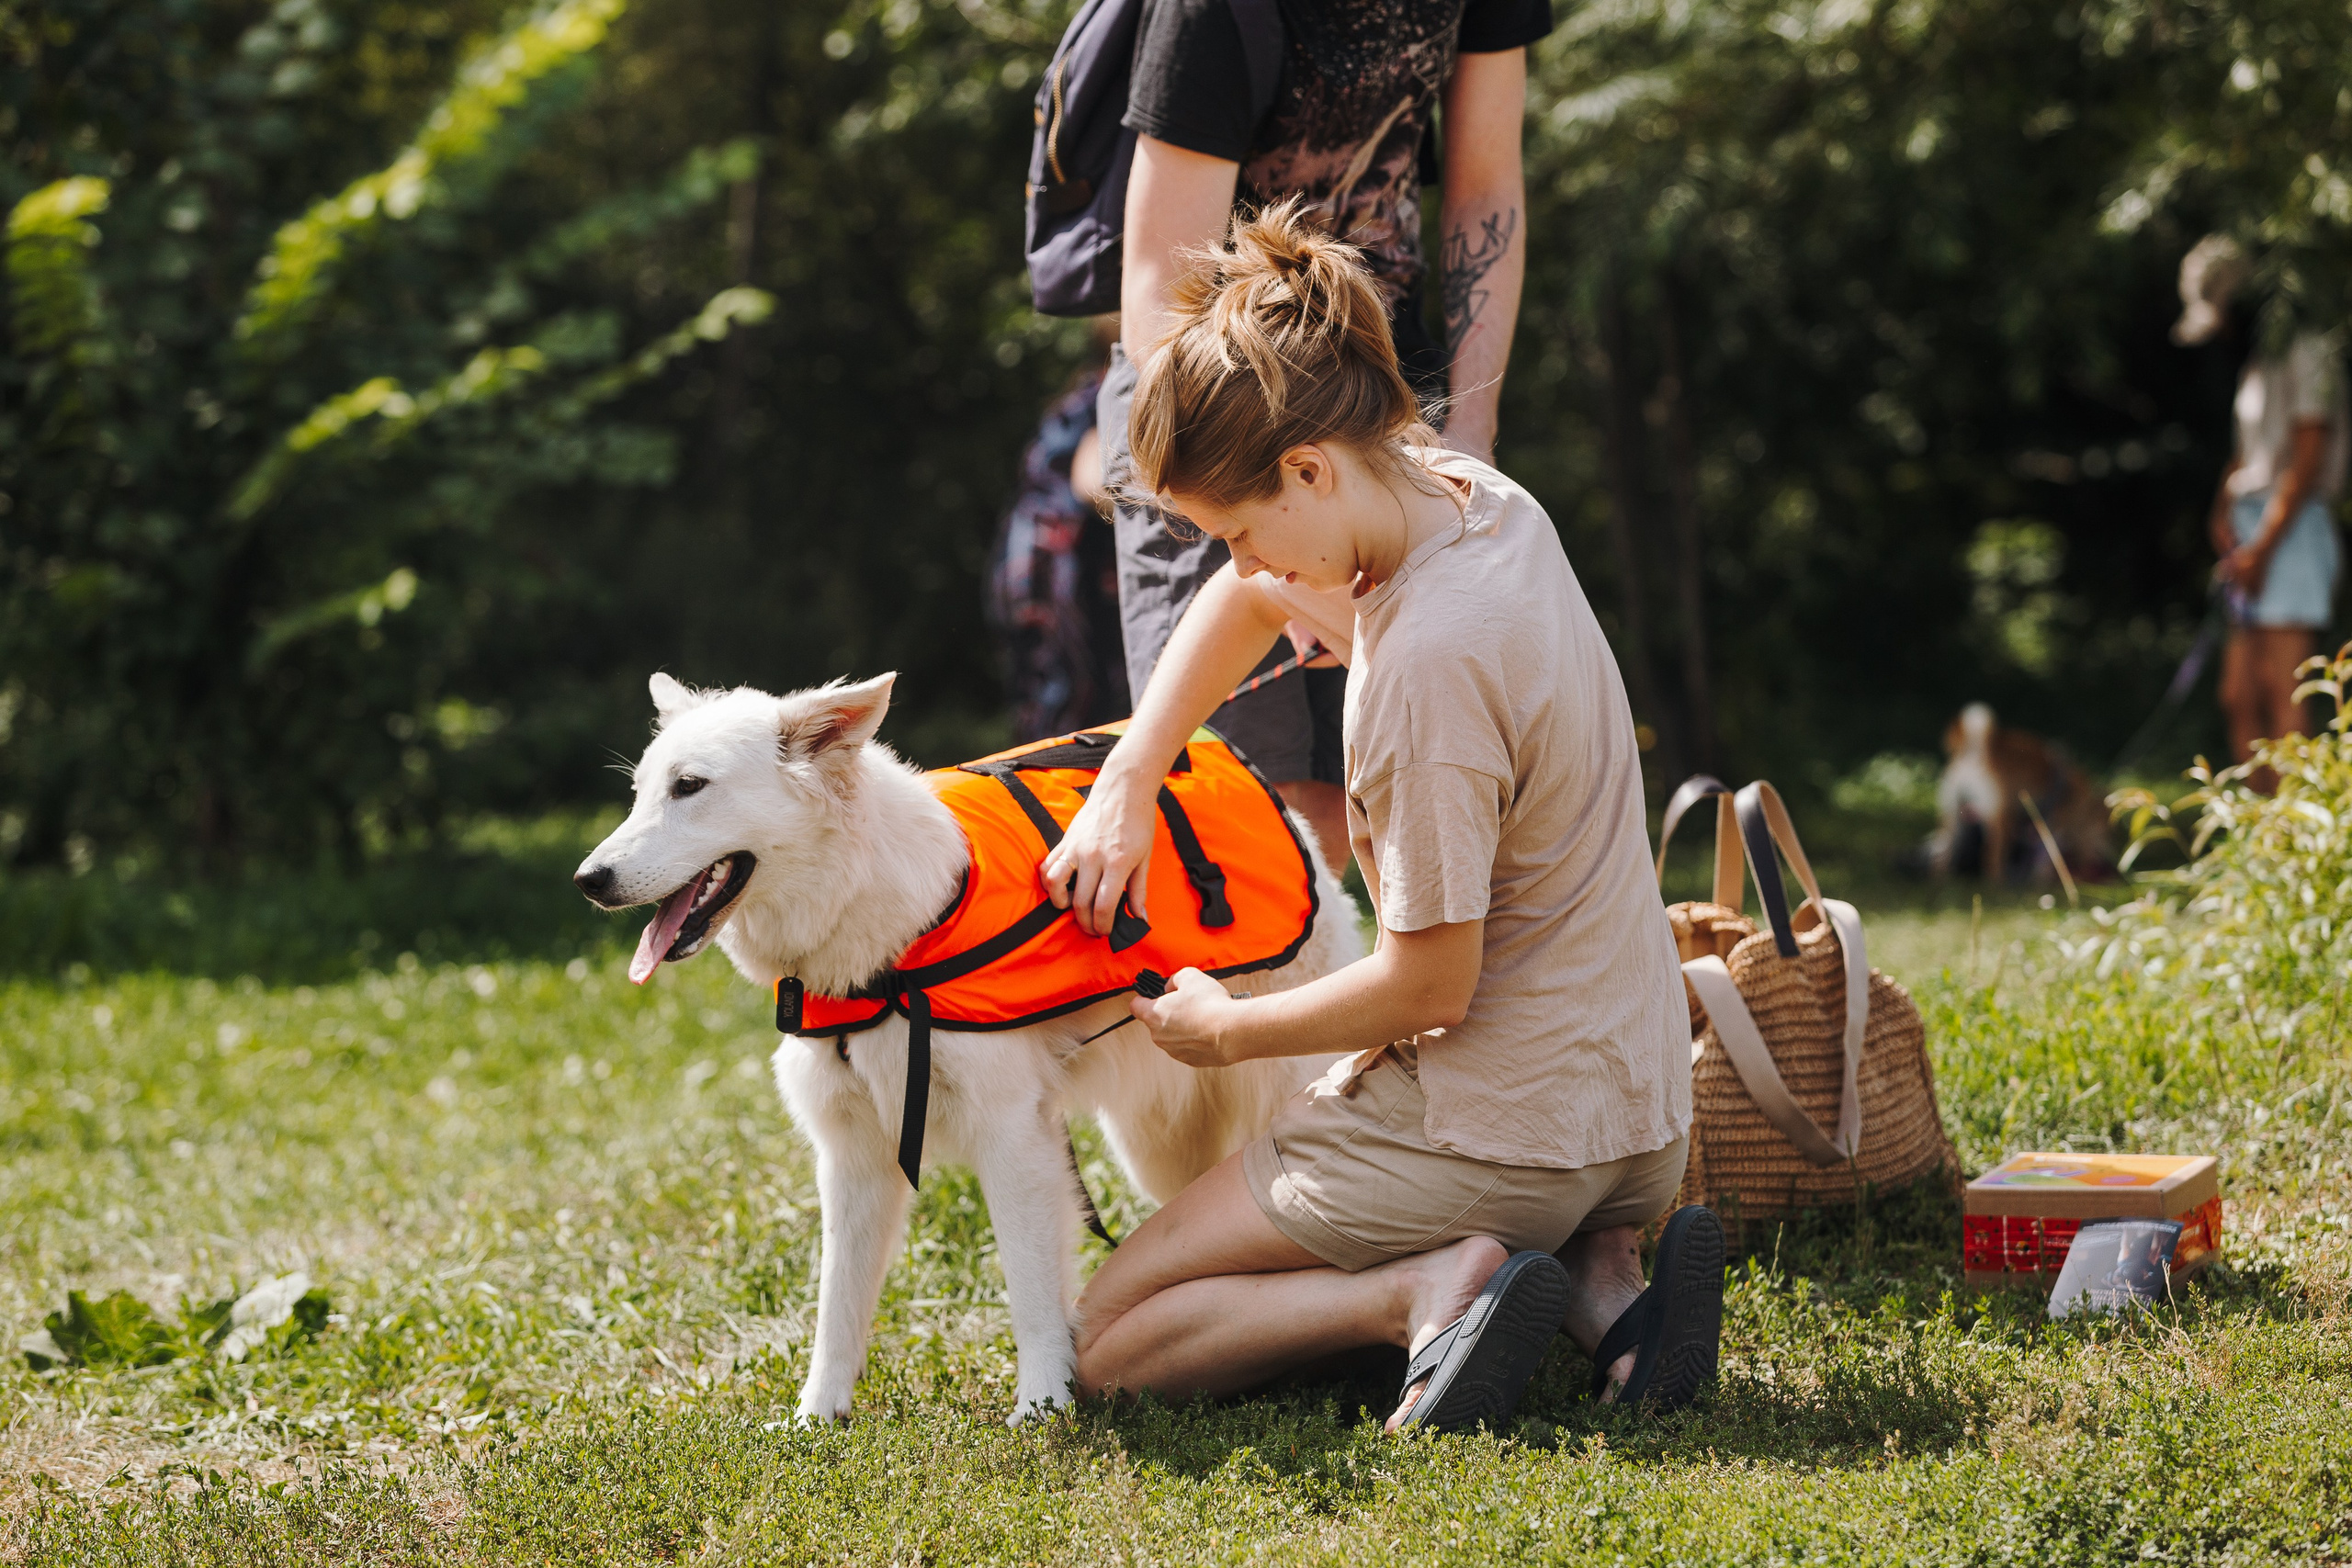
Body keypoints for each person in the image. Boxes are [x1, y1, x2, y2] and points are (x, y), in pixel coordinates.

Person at [1043, 206, 1718, 1433]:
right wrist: (1133, 769)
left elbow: (1429, 985)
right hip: (1638, 1111)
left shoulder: (1422, 667)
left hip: (1505, 1129)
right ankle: (1607, 1292)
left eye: (1241, 528)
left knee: (1110, 1333)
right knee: (1510, 1168)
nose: (1246, 562)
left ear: (1307, 468)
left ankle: (1425, 1288)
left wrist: (1226, 1028)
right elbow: (1253, 601)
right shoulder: (1475, 502)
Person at [1101, 0, 1550, 873]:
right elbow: (1159, 283)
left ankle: (1377, 998)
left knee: (1372, 790)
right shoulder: (1209, 14)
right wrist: (1271, 544)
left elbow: (1486, 191)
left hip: (1373, 384)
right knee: (1246, 804)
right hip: (1205, 418)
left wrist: (1471, 432)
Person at [2176, 234, 2350, 784]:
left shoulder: (2305, 345)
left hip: (2291, 533)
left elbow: (2309, 452)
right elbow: (2249, 455)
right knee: (2238, 694)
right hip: (2255, 529)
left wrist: (2262, 547)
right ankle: (2256, 834)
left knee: (2285, 696)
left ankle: (2290, 844)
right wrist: (2221, 510)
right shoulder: (2258, 357)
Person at [987, 321, 1131, 741]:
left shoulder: (1080, 395)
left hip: (1027, 573)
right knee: (1075, 715)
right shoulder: (1115, 393)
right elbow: (1093, 478)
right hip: (1063, 580)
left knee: (1050, 705)